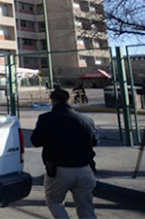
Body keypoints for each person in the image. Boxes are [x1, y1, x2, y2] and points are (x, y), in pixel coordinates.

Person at [31, 89, 98, 219]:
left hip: (59, 170)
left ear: (53, 102)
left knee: (54, 201)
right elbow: (95, 141)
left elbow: (35, 141)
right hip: (84, 169)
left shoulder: (46, 119)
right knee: (86, 206)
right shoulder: (86, 120)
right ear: (70, 100)